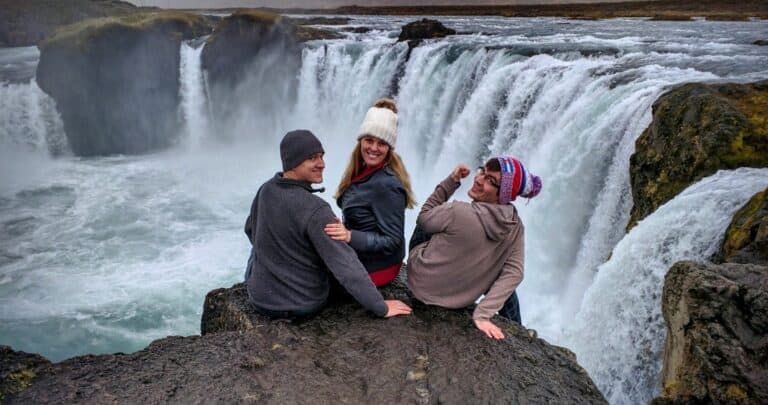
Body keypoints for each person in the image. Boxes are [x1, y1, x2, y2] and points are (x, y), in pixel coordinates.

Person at [244, 129, 412, 320]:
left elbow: (250, 229)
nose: (322, 164)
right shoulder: (317, 210)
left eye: (322, 157)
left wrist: (280, 263)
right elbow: (345, 265)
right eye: (312, 158)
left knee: (262, 238)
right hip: (302, 304)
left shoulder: (266, 189)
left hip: (258, 297)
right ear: (293, 162)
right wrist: (380, 306)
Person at [406, 157, 541, 339]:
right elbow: (515, 272)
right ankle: (519, 332)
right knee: (499, 270)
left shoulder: (457, 211)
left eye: (490, 180)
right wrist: (483, 314)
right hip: (464, 296)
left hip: (421, 286)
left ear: (502, 195)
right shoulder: (515, 226)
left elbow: (424, 218)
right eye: (482, 171)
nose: (478, 179)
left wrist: (451, 182)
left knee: (430, 222)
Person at [324, 98, 417, 287]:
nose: (374, 148)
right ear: (361, 141)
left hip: (378, 267)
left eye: (381, 143)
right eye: (369, 140)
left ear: (389, 148)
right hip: (364, 255)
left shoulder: (387, 185)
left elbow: (393, 240)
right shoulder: (361, 170)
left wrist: (350, 236)